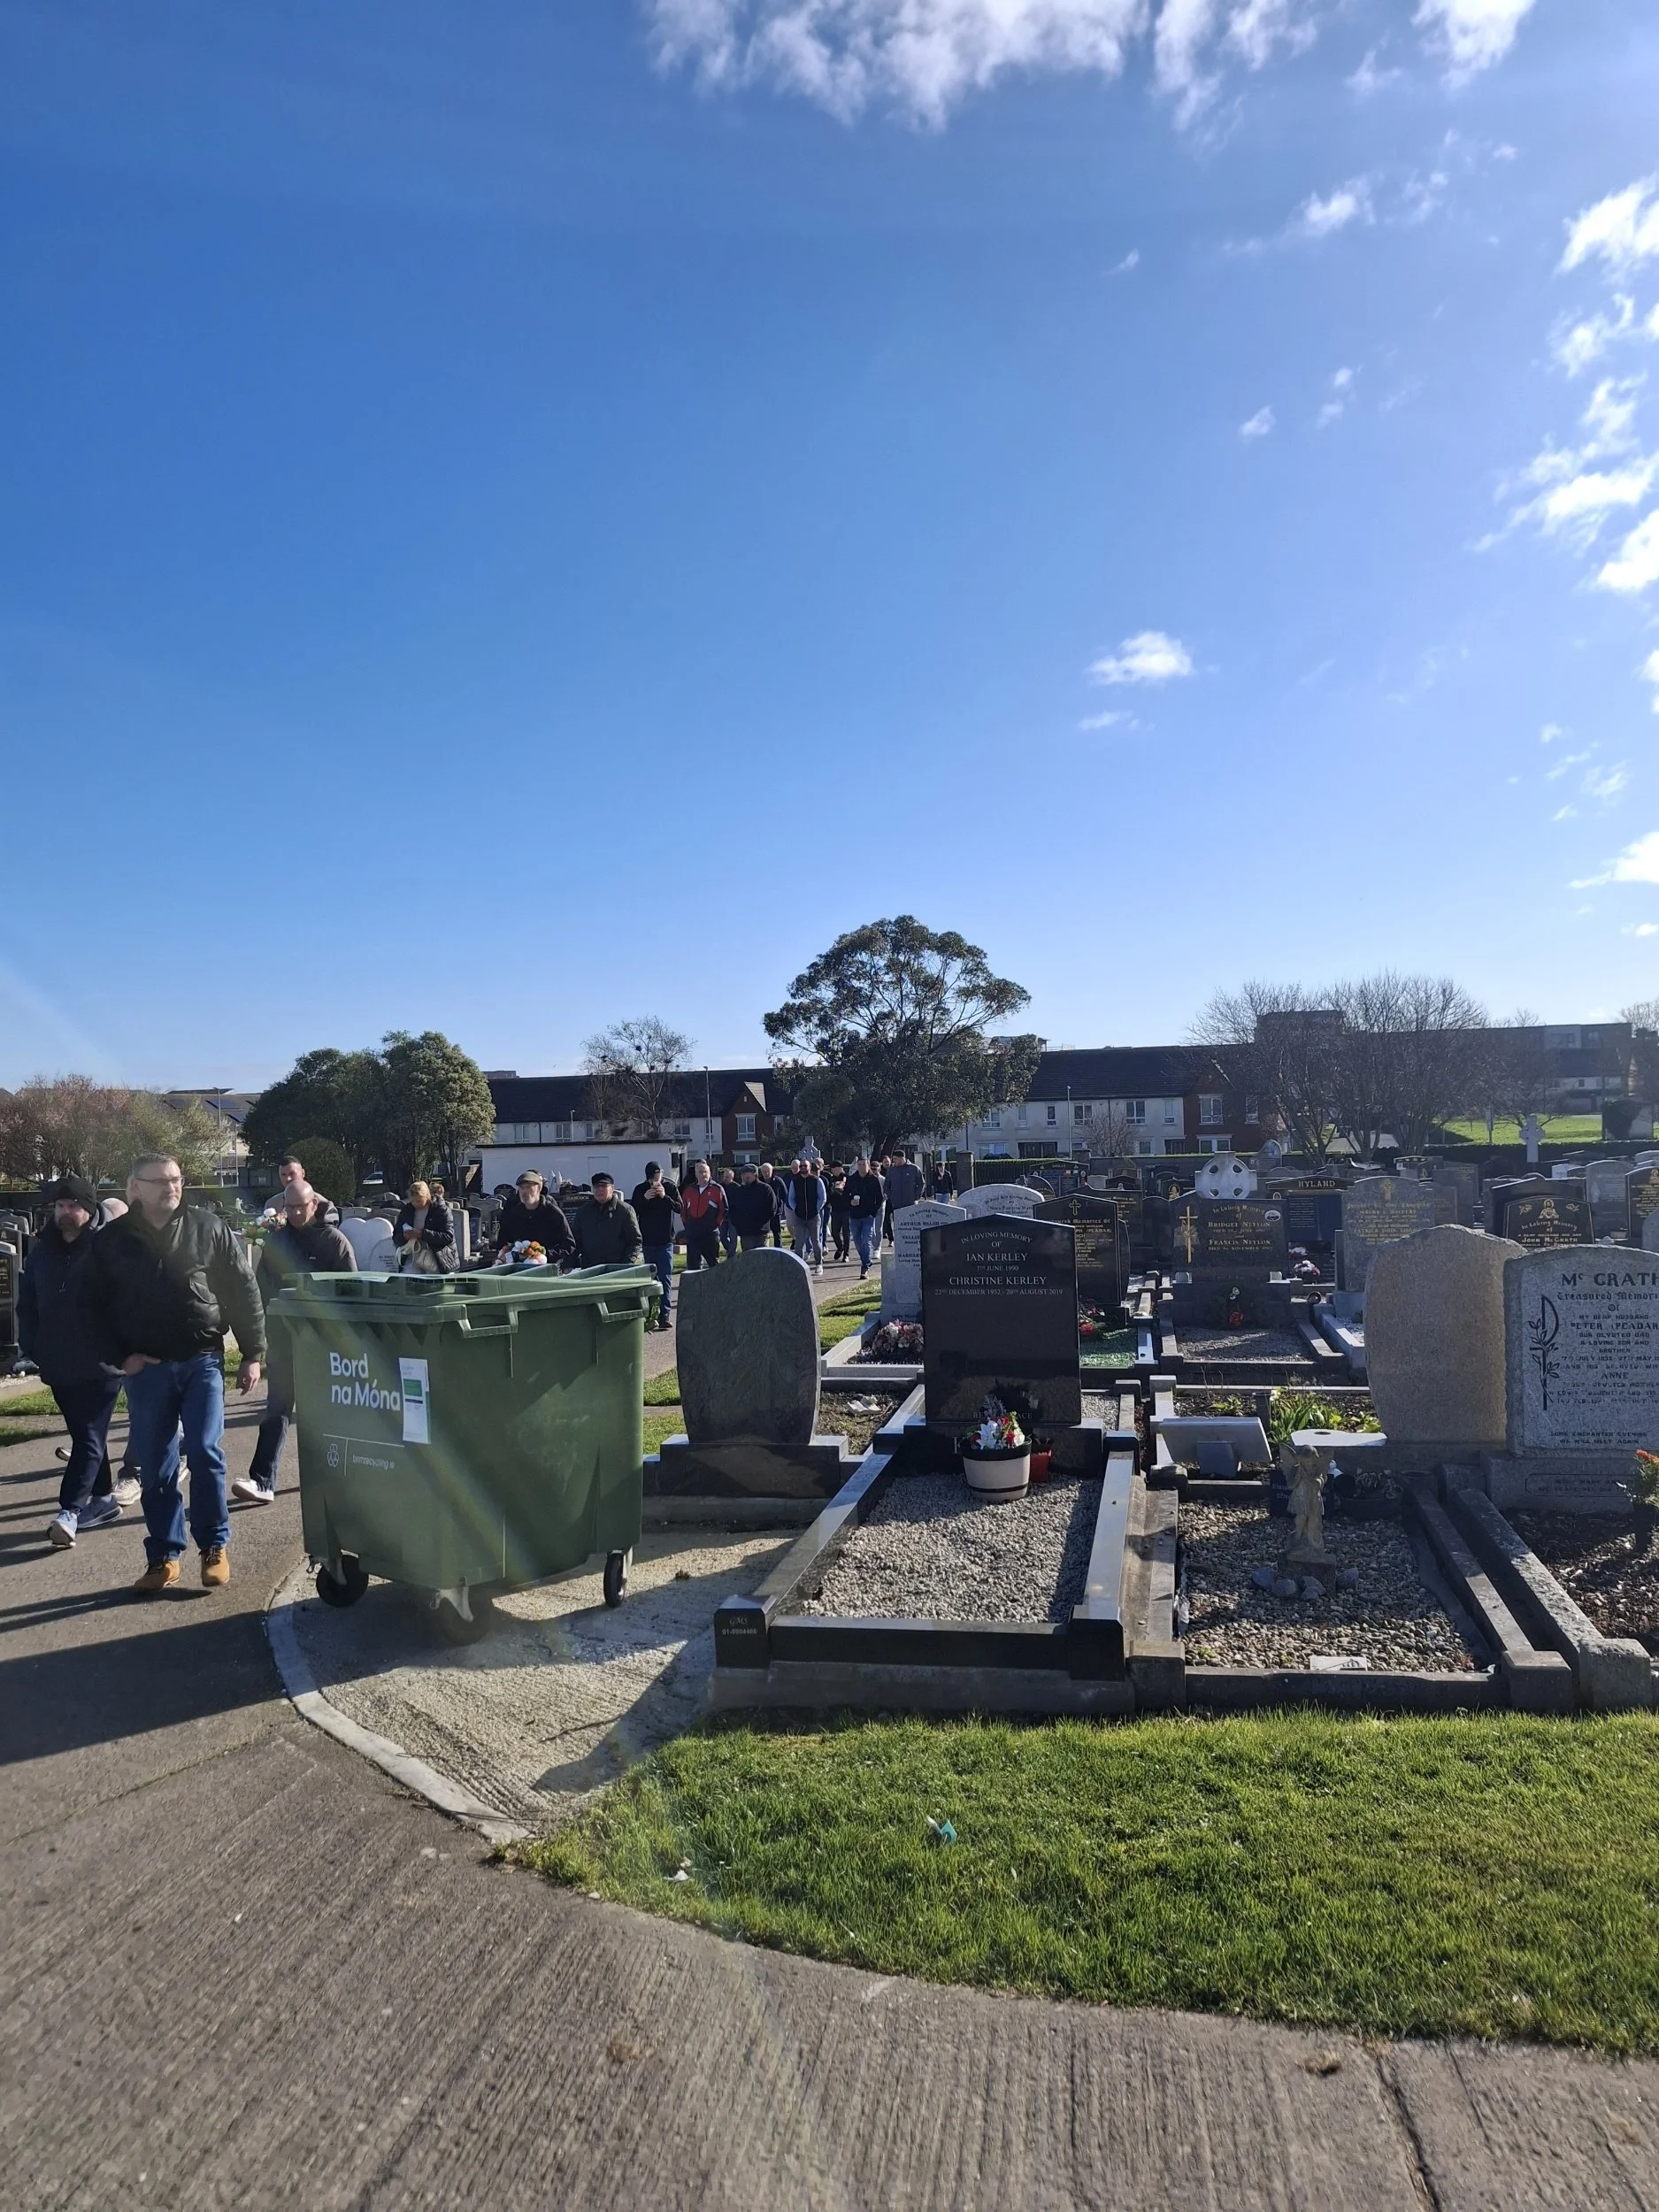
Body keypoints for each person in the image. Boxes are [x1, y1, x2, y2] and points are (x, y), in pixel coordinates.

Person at [79, 1155, 265, 1596]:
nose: (171, 1188)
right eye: (160, 1181)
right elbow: (90, 1306)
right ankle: (164, 1555)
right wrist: (121, 1357)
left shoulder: (207, 1228)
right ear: (135, 1187)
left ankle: (213, 1546)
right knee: (157, 1465)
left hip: (202, 1360)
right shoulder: (113, 1240)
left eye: (176, 1179)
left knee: (205, 1452)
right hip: (148, 1370)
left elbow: (242, 1288)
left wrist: (253, 1353)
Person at [234, 1180, 357, 1507]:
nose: (297, 1213)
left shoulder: (334, 1242)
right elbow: (261, 1290)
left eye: (302, 1206)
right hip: (284, 1339)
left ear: (314, 1204)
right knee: (276, 1410)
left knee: (323, 1416)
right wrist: (261, 1336)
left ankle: (332, 1479)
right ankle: (262, 1481)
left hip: (321, 1344)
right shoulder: (277, 1241)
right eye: (290, 1207)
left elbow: (351, 1292)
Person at [19, 1174, 126, 1549]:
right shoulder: (42, 1252)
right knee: (86, 1437)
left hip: (102, 1363)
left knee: (89, 1436)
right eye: (60, 1206)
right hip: (58, 1361)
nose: (66, 1212)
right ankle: (104, 1499)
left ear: (90, 1209)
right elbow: (28, 1303)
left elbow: (125, 1300)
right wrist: (32, 1345)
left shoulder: (106, 1247)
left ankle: (69, 1512)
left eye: (74, 1206)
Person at [630, 1164, 680, 1330]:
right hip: (648, 1241)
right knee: (651, 1279)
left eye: (658, 1177)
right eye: (652, 1179)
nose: (655, 1181)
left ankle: (664, 1315)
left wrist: (665, 1197)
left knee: (665, 1277)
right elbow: (633, 1211)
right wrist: (644, 1198)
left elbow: (679, 1207)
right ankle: (652, 1315)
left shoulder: (670, 1187)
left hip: (666, 1240)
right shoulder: (640, 1189)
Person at [491, 1171, 576, 1263]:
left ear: (539, 1188)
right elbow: (503, 1242)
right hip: (518, 1267)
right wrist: (506, 1254)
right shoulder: (513, 1214)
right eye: (522, 1188)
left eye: (529, 1187)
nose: (524, 1192)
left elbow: (569, 1245)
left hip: (547, 1267)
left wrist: (545, 1255)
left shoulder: (553, 1213)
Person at [572, 1172, 643, 1268]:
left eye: (604, 1186)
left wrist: (626, 1265)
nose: (600, 1189)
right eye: (597, 1186)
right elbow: (575, 1240)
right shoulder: (584, 1212)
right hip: (591, 1268)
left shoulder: (625, 1211)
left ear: (612, 1188)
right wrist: (569, 1262)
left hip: (617, 1268)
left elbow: (634, 1241)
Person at [261, 1152, 342, 1227]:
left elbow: (329, 1234)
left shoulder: (324, 1205)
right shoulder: (272, 1204)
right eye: (283, 1175)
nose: (288, 1179)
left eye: (292, 1174)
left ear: (303, 1173)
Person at [393, 1180, 457, 1273]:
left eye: (419, 1200)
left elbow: (448, 1237)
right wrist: (404, 1237)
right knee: (410, 1280)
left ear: (427, 1196)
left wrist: (422, 1234)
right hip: (412, 1259)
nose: (415, 1204)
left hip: (435, 1259)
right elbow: (396, 1236)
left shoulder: (441, 1210)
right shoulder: (407, 1211)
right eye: (413, 1201)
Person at [680, 1159, 726, 1271]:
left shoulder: (717, 1189)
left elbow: (724, 1209)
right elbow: (683, 1209)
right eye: (700, 1172)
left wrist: (715, 1224)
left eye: (705, 1172)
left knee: (714, 1266)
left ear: (710, 1173)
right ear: (696, 1174)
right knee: (693, 1267)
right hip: (693, 1233)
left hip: (710, 1233)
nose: (703, 1174)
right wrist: (687, 1225)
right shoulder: (689, 1190)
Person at [845, 1155, 886, 1279]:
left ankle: (865, 1267)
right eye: (860, 1165)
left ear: (868, 1166)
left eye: (864, 1164)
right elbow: (845, 1195)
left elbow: (879, 1198)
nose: (862, 1167)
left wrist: (873, 1212)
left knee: (866, 1241)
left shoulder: (873, 1180)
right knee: (857, 1241)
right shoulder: (852, 1179)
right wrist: (851, 1202)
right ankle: (866, 1259)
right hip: (854, 1215)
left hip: (868, 1216)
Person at [787, 1158, 826, 1276]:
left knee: (816, 1241)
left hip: (813, 1216)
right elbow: (791, 1198)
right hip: (799, 1217)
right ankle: (799, 1267)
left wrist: (816, 1209)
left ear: (809, 1167)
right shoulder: (794, 1182)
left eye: (805, 1165)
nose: (803, 1168)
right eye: (801, 1166)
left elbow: (823, 1197)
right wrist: (796, 1209)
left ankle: (819, 1264)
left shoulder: (816, 1180)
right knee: (799, 1243)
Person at [726, 1163, 776, 1252]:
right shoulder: (739, 1191)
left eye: (746, 1173)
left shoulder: (765, 1189)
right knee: (748, 1258)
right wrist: (738, 1225)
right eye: (742, 1174)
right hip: (745, 1233)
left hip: (761, 1232)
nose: (743, 1176)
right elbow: (732, 1210)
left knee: (762, 1257)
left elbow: (772, 1209)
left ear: (754, 1174)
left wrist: (760, 1223)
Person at [885, 1150, 925, 1222]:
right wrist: (891, 1197)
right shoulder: (891, 1170)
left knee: (911, 1224)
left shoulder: (914, 1169)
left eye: (895, 1159)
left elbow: (921, 1183)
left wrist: (917, 1196)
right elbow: (887, 1185)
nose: (894, 1161)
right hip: (896, 1204)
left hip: (910, 1203)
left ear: (902, 1158)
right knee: (898, 1224)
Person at [826, 1165, 852, 1263]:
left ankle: (846, 1254)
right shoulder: (831, 1179)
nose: (833, 1171)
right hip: (835, 1209)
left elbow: (849, 1190)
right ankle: (840, 1247)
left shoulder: (847, 1178)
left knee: (846, 1233)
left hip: (846, 1209)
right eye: (832, 1169)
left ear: (840, 1168)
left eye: (835, 1169)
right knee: (834, 1232)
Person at [757, 1162, 786, 1247]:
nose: (766, 1173)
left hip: (776, 1211)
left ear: (772, 1171)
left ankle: (779, 1250)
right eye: (764, 1171)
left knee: (777, 1233)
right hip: (763, 1212)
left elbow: (784, 1194)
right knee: (763, 1233)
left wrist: (781, 1206)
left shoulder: (778, 1181)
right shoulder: (758, 1182)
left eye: (768, 1171)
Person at [717, 1167, 739, 1259]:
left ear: (732, 1178)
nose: (725, 1178)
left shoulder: (737, 1187)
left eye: (727, 1177)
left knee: (733, 1237)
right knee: (722, 1237)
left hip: (733, 1216)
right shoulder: (720, 1187)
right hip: (723, 1215)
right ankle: (731, 1250)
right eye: (724, 1177)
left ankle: (731, 1256)